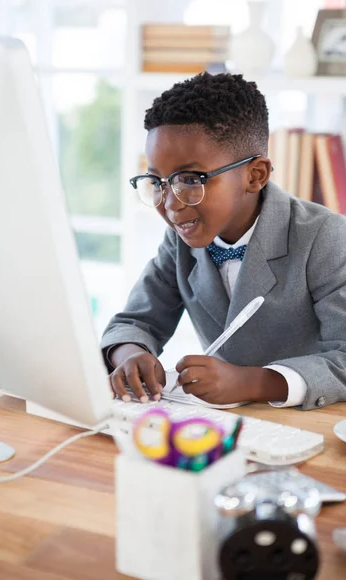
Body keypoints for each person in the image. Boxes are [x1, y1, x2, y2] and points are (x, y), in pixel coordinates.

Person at [100, 72, 346, 411]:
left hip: (312, 424)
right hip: (223, 429)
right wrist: (131, 354)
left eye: (189, 179)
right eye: (157, 181)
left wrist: (252, 381)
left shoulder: (326, 237)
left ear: (255, 175)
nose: (171, 204)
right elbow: (135, 322)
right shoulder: (180, 240)